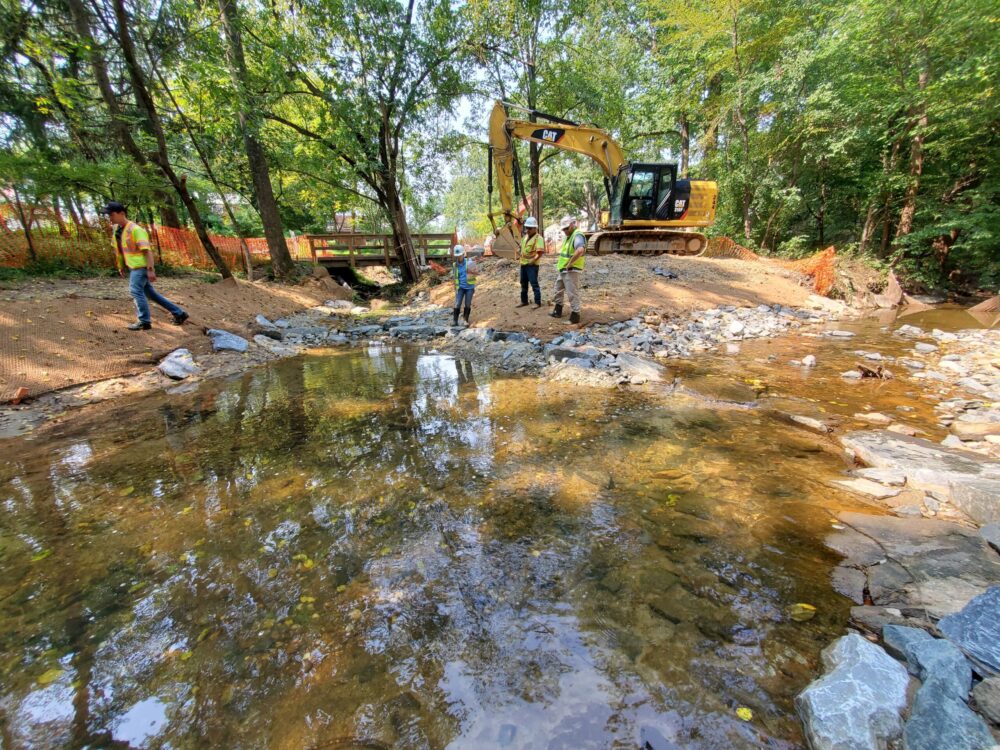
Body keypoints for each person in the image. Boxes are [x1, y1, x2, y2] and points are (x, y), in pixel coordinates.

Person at [104, 201, 188, 331]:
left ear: (121, 213)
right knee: (151, 294)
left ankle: (144, 321)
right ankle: (179, 313)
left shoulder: (136, 230)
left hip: (141, 267)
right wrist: (120, 265)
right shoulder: (117, 230)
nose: (109, 217)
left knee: (135, 291)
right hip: (133, 267)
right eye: (108, 215)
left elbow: (147, 251)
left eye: (111, 214)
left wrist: (150, 270)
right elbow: (119, 250)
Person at [550, 215, 585, 324]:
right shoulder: (569, 236)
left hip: (571, 269)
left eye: (566, 228)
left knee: (572, 293)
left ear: (572, 225)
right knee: (558, 289)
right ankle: (558, 311)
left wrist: (570, 263)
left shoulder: (577, 235)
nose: (565, 231)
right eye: (563, 229)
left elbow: (580, 250)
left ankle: (575, 316)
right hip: (564, 269)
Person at [517, 215, 544, 308]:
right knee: (523, 283)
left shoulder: (538, 238)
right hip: (523, 264)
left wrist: (533, 260)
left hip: (532, 265)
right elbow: (521, 247)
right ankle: (524, 301)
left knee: (534, 283)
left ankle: (537, 302)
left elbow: (539, 253)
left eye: (529, 228)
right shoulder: (525, 237)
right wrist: (518, 250)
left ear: (535, 228)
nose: (527, 230)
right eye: (527, 228)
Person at [452, 244, 477, 326]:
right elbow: (455, 277)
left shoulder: (470, 262)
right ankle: (455, 321)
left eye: (460, 255)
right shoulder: (455, 265)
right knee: (457, 303)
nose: (459, 257)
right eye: (457, 256)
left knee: (467, 304)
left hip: (469, 287)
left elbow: (475, 273)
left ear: (463, 254)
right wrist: (455, 288)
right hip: (460, 288)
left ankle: (465, 320)